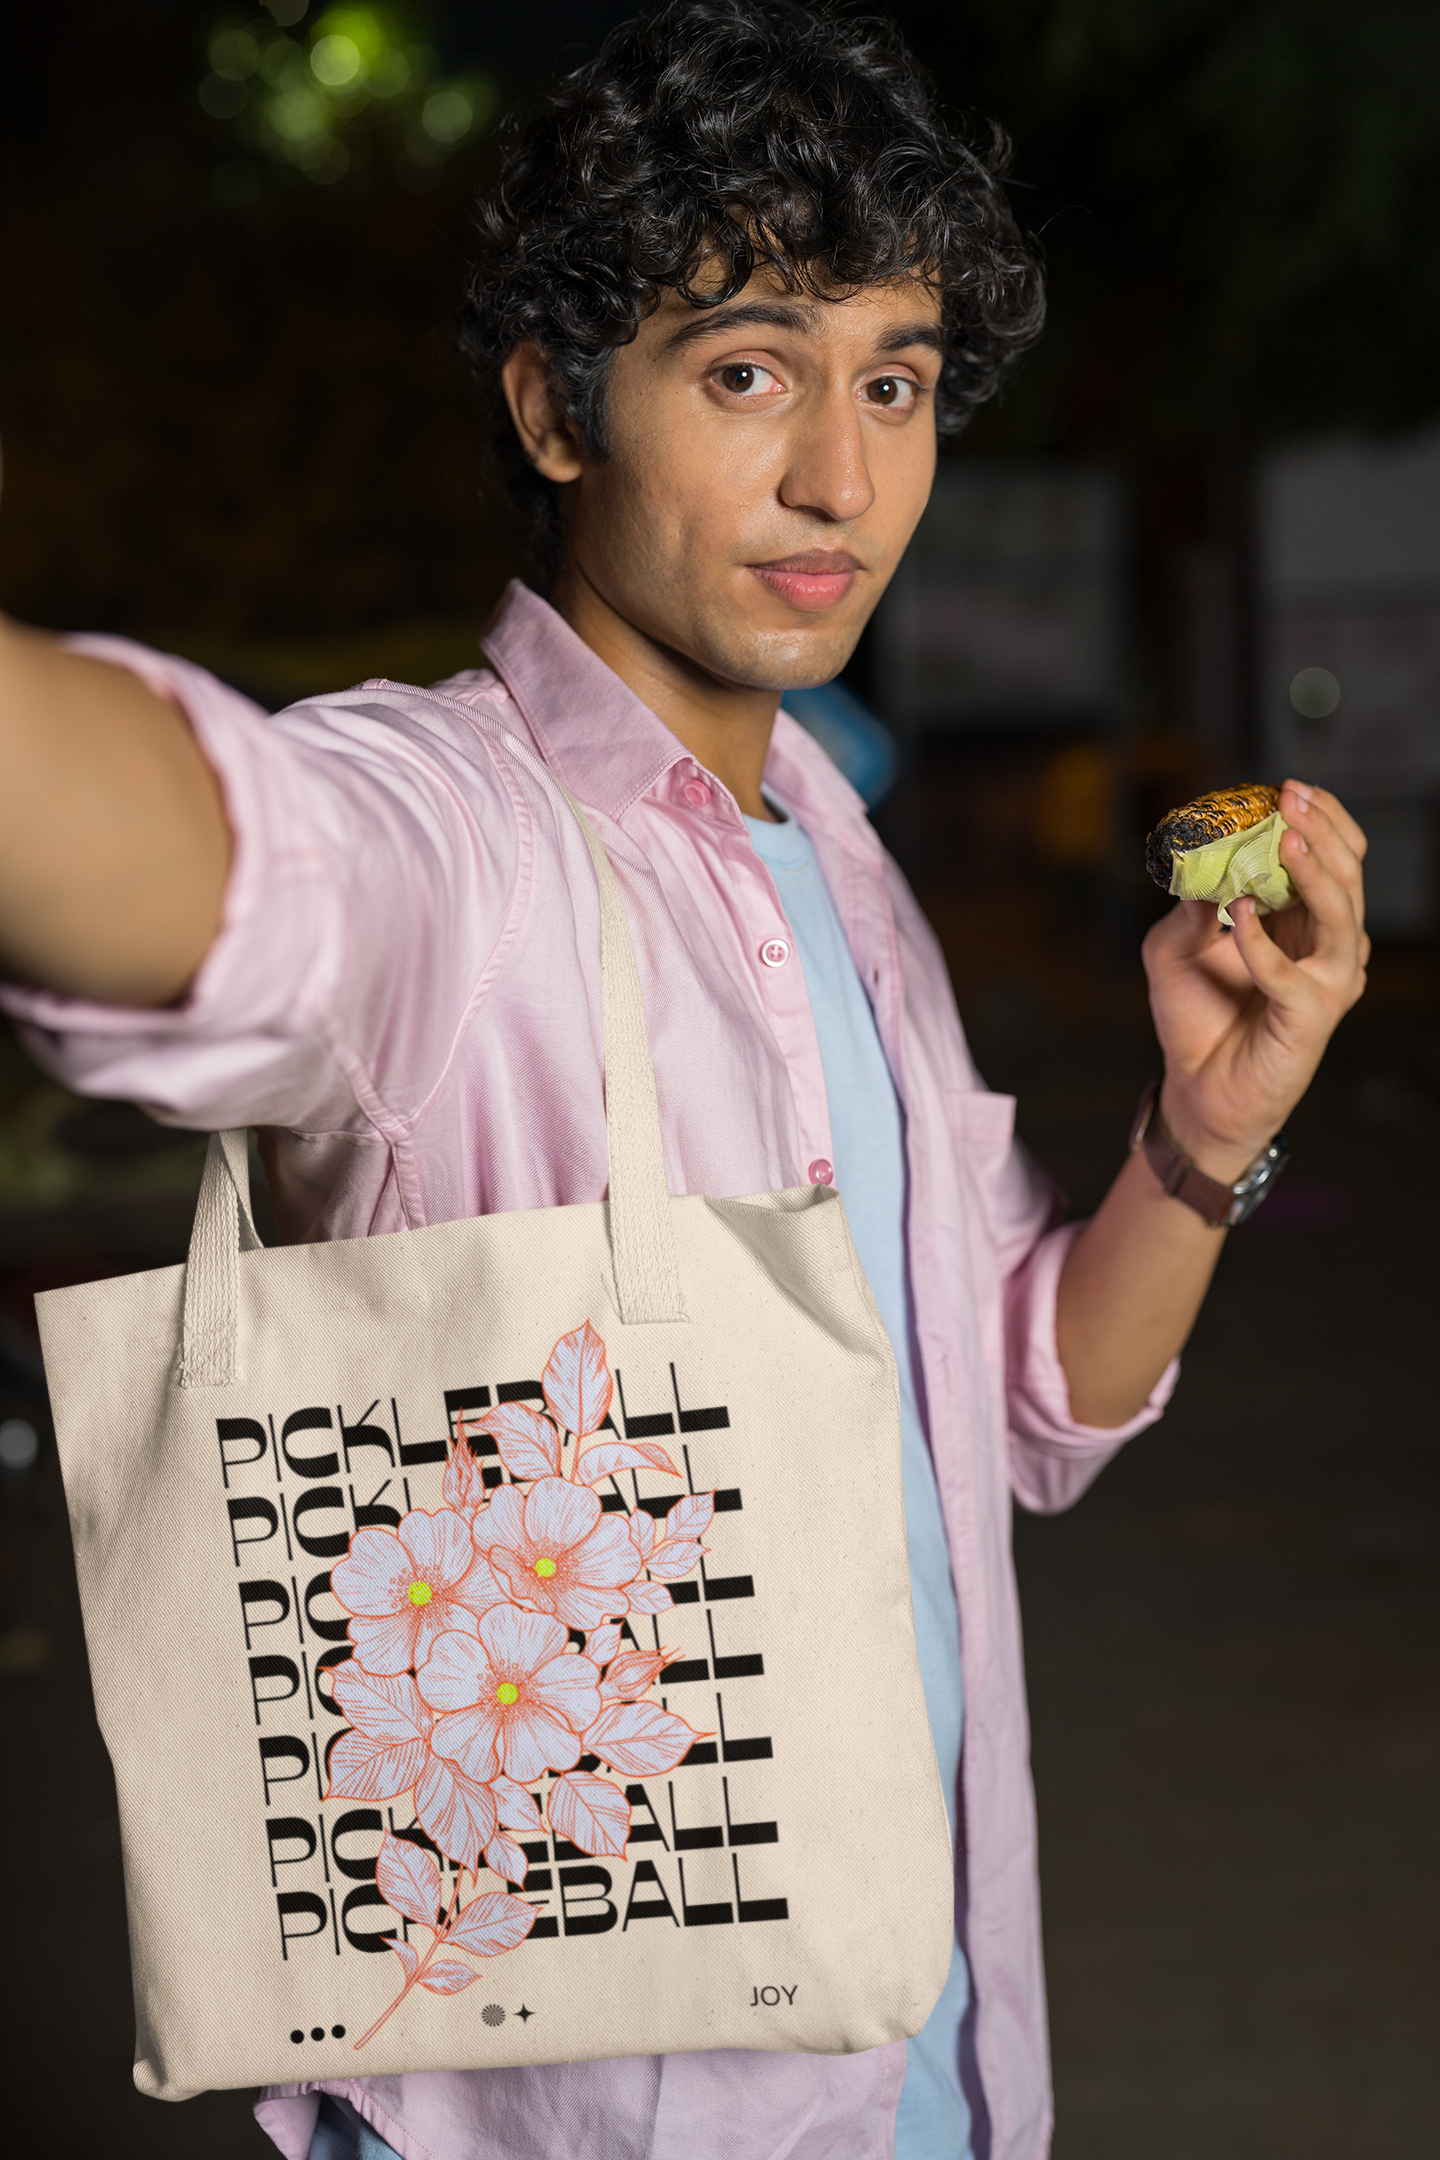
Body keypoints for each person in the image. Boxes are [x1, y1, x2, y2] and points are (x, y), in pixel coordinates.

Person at [0, 5, 1368, 2157]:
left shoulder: (832, 848)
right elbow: (230, 848)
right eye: (749, 372)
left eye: (894, 382)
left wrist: (1202, 1147)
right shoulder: (457, 839)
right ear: (557, 406)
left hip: (939, 2069)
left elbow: (1018, 1407)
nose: (845, 477)